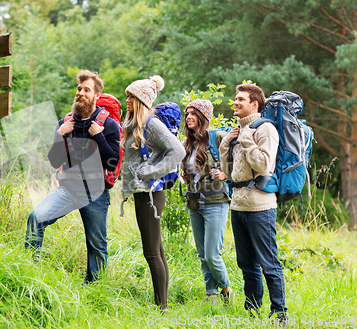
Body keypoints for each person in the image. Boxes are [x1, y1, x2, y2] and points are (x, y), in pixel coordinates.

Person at [24, 70, 121, 283]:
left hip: (96, 192)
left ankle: (95, 290)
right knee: (35, 218)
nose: (81, 93)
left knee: (97, 245)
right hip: (68, 189)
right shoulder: (64, 123)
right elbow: (54, 161)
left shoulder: (109, 125)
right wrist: (60, 135)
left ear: (96, 96)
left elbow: (112, 162)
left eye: (87, 90)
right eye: (79, 89)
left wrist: (99, 136)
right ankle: (28, 272)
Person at [219, 84, 287, 323]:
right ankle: (252, 311)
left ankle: (279, 313)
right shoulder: (239, 131)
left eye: (240, 99)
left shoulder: (265, 129)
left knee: (268, 263)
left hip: (260, 207)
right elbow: (228, 172)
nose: (235, 102)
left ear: (254, 104)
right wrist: (226, 143)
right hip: (238, 206)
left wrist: (247, 139)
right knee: (246, 263)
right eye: (235, 98)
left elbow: (264, 166)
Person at [121, 75, 185, 310]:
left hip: (150, 193)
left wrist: (151, 171)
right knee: (156, 250)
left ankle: (162, 307)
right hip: (143, 192)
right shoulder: (135, 125)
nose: (126, 100)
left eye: (131, 96)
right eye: (127, 95)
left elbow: (177, 151)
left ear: (141, 99)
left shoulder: (152, 123)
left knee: (152, 251)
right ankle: (162, 303)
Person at [180, 99, 233, 304]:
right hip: (194, 203)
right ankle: (210, 293)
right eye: (187, 114)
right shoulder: (189, 143)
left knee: (212, 254)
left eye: (194, 113)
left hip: (216, 202)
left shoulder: (217, 137)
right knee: (202, 254)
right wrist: (185, 175)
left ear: (204, 117)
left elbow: (239, 158)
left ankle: (226, 288)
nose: (189, 117)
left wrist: (225, 173)